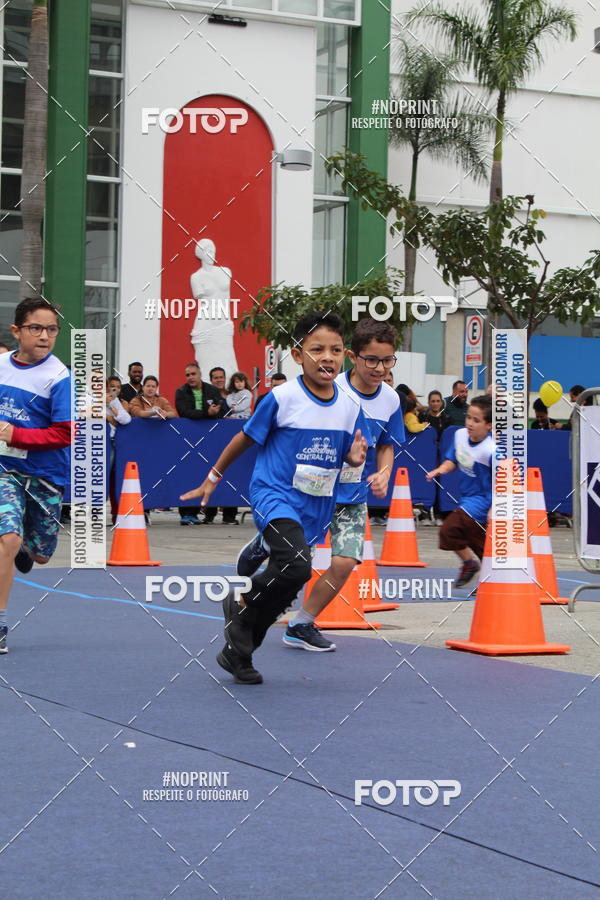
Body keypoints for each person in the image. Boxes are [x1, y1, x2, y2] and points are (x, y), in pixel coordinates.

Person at [180, 311, 367, 684]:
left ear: (344, 355)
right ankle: (240, 603)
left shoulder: (349, 406)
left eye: (334, 350)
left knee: (287, 585)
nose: (326, 358)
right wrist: (212, 478)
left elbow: (344, 451)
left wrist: (353, 457)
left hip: (314, 504)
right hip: (274, 494)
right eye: (316, 350)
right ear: (297, 355)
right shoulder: (282, 398)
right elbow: (244, 439)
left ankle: (239, 651)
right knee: (296, 565)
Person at [283, 318, 404, 651]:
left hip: (353, 497)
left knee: (345, 562)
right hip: (313, 491)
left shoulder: (391, 400)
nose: (379, 368)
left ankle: (301, 623)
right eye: (372, 360)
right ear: (353, 356)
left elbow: (387, 444)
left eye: (387, 360)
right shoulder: (328, 388)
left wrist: (384, 472)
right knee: (292, 566)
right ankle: (250, 604)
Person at [0, 297, 72, 654]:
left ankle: (29, 549)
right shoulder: (0, 367)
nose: (44, 336)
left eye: (51, 329)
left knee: (40, 554)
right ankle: (0, 623)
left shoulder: (58, 377)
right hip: (4, 471)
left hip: (44, 474)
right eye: (36, 328)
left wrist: (16, 435)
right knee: (7, 540)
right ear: (17, 331)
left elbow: (63, 434)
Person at [426, 395, 494, 588]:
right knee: (475, 543)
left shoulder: (490, 450)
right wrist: (440, 469)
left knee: (450, 528)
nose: (470, 423)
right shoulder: (460, 436)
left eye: (477, 420)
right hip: (466, 498)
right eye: (469, 418)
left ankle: (472, 566)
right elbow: (452, 459)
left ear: (488, 425)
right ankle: (476, 568)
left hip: (482, 500)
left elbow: (500, 482)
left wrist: (495, 508)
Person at [175, 363, 227, 525]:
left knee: (205, 473)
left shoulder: (211, 390)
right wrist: (207, 413)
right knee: (187, 474)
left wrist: (216, 411)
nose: (190, 377)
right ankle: (185, 512)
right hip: (188, 438)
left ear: (199, 374)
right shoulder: (181, 392)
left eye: (193, 374)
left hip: (209, 438)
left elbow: (221, 409)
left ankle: (199, 512)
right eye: (187, 375)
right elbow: (185, 412)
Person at [190, 238, 238, 378]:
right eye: (207, 251)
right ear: (200, 254)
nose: (211, 254)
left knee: (229, 364)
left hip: (223, 322)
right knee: (206, 365)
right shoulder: (196, 277)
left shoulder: (225, 271)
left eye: (213, 251)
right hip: (206, 324)